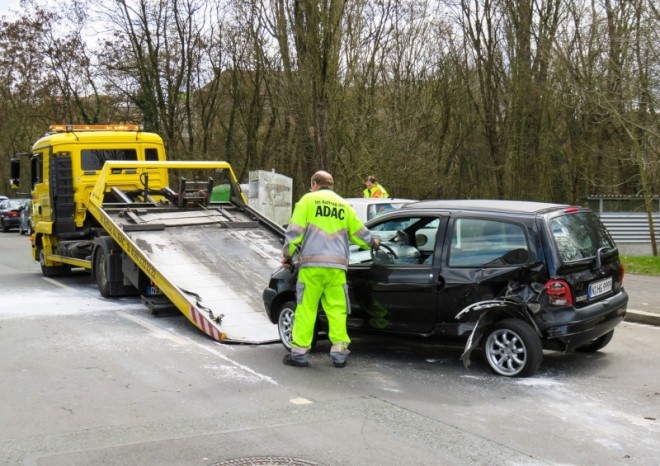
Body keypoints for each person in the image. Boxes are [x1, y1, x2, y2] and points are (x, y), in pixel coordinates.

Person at [281, 170, 380, 368]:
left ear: (314, 184)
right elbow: (360, 233)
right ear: (332, 185)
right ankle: (339, 353)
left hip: (312, 267)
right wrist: (374, 243)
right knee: (337, 310)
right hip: (337, 268)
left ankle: (299, 353)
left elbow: (294, 232)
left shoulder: (307, 201)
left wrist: (287, 255)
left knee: (307, 309)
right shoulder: (344, 205)